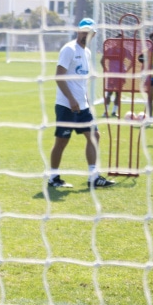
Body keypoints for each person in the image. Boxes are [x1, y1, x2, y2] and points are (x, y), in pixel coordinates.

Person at [48, 18, 116, 190]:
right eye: (83, 31)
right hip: (66, 105)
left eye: (89, 32)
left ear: (93, 34)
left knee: (94, 136)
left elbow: (81, 81)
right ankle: (53, 177)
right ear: (78, 30)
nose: (85, 34)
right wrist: (71, 99)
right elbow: (59, 76)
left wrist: (84, 100)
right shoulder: (69, 49)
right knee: (62, 141)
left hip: (82, 106)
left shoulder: (87, 53)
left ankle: (93, 177)